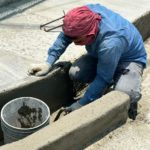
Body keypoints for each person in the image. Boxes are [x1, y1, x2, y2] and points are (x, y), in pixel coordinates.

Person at [29, 4, 147, 120]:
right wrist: (48, 62)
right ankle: (106, 82)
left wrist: (82, 103)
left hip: (129, 59)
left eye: (78, 40)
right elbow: (65, 37)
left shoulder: (110, 43)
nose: (74, 43)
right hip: (103, 55)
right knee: (75, 73)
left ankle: (129, 99)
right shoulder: (83, 15)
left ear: (90, 34)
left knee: (124, 94)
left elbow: (103, 77)